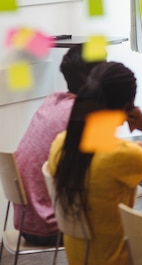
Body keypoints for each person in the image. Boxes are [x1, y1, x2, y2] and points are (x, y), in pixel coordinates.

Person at [48, 62, 142, 265]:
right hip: (114, 260)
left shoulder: (61, 143)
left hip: (79, 258)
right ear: (128, 107)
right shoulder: (123, 156)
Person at [13, 44, 102, 245]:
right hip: (54, 225)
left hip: (27, 222)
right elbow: (111, 161)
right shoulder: (84, 114)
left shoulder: (53, 101)